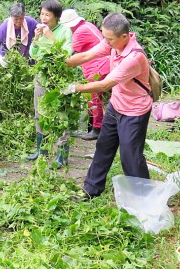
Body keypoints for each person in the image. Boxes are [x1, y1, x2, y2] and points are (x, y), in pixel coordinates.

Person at [63, 12, 152, 199]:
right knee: (103, 147)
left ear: (124, 37)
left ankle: (143, 196)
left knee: (130, 156)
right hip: (116, 106)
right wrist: (62, 63)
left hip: (134, 112)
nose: (106, 42)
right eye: (105, 37)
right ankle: (90, 190)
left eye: (109, 39)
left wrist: (74, 88)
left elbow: (105, 85)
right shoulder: (112, 42)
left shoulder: (134, 57)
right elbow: (87, 55)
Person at [27, 0, 72, 168]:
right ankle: (42, 151)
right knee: (40, 112)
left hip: (59, 77)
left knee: (61, 115)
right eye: (42, 14)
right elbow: (33, 54)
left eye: (48, 15)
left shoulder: (65, 31)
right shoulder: (39, 30)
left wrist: (51, 37)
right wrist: (36, 38)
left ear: (57, 17)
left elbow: (66, 54)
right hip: (41, 76)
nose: (43, 18)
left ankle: (62, 155)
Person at [60, 9, 110, 141]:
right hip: (102, 64)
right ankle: (91, 128)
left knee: (94, 97)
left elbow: (67, 52)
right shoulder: (88, 25)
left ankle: (97, 129)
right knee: (93, 98)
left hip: (97, 67)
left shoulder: (80, 32)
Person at [0, 2, 38, 66]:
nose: (19, 21)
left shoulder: (30, 22)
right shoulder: (5, 27)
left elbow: (41, 30)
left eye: (21, 18)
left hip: (26, 60)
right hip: (7, 60)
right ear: (11, 17)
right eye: (16, 19)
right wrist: (0, 58)